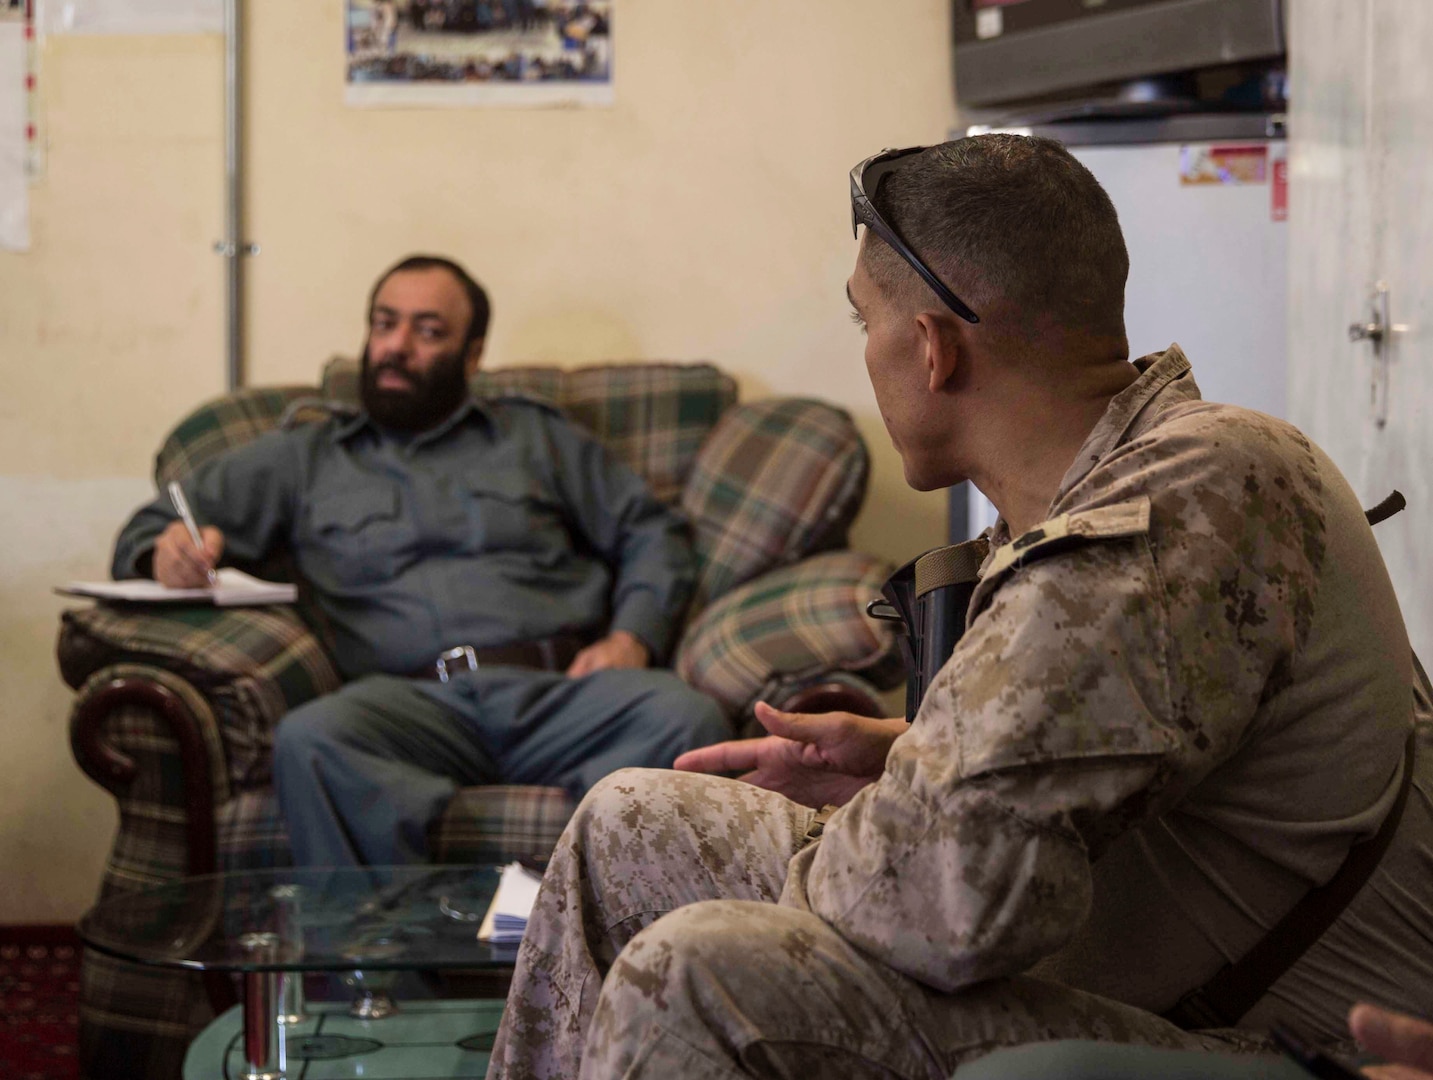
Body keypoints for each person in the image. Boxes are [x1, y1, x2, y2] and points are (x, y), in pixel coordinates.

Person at [486, 136, 1433, 1080]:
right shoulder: (1149, 474)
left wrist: (913, 806)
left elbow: (938, 901)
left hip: (1277, 1043)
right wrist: (912, 754)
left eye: (864, 321)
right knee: (626, 828)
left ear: (933, 348)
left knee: (696, 975)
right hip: (1120, 965)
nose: (867, 352)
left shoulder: (1185, 492)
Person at [112, 254, 730, 868]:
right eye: (384, 324)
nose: (396, 346)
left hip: (559, 694)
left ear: (473, 354)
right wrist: (165, 556)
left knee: (685, 717)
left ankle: (634, 961)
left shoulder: (534, 437)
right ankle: (378, 967)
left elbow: (650, 528)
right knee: (313, 739)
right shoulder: (303, 458)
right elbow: (156, 523)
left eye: (427, 331)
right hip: (407, 704)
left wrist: (631, 638)